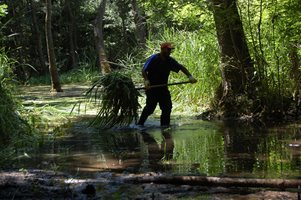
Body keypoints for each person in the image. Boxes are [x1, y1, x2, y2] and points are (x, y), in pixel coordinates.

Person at [137, 42, 197, 127]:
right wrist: (146, 80)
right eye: (168, 49)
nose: (169, 51)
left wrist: (190, 76)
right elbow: (144, 70)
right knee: (150, 108)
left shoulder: (170, 61)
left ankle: (165, 127)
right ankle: (140, 124)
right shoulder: (154, 58)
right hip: (152, 89)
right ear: (162, 49)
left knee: (167, 108)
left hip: (163, 88)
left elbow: (180, 67)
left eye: (170, 50)